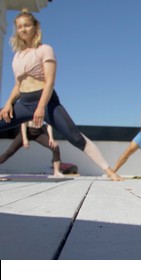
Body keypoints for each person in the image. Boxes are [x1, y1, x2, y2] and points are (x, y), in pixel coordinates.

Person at [0, 9, 122, 181]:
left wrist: (41, 107)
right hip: (23, 102)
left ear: (35, 27)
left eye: (27, 25)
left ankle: (110, 171)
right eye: (19, 27)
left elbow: (49, 82)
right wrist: (8, 104)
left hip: (47, 101)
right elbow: (17, 85)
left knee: (75, 137)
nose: (23, 29)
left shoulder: (45, 49)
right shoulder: (17, 56)